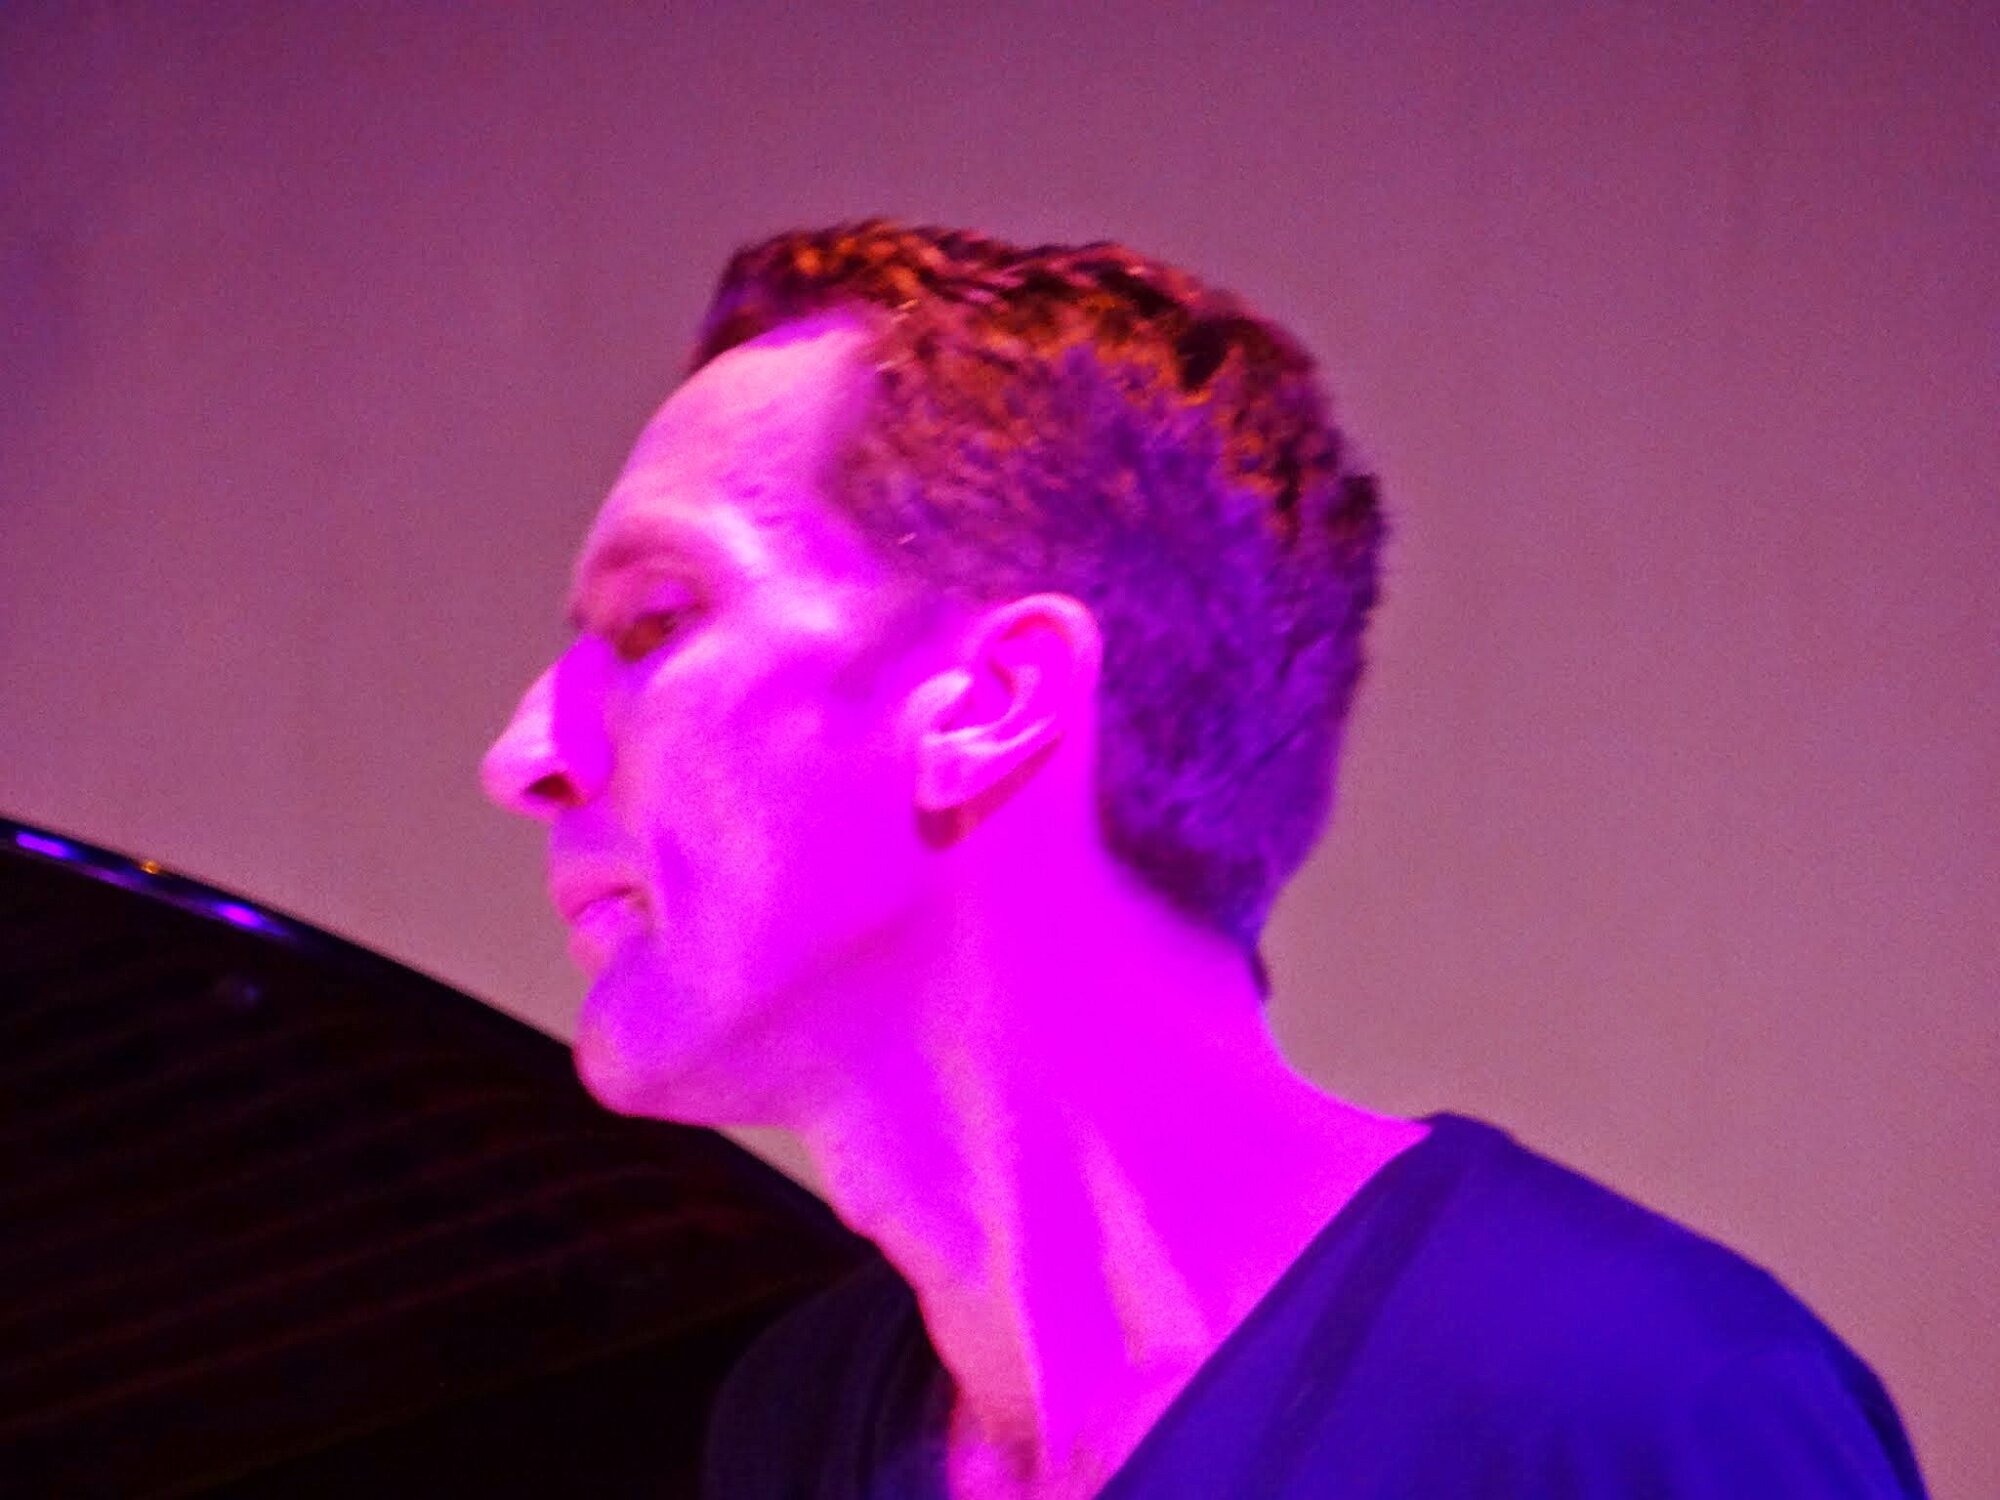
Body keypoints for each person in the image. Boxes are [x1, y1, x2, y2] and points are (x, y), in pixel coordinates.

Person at [480, 222, 1926, 1498]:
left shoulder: (1631, 1408)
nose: (526, 751)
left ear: (993, 703)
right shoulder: (799, 1423)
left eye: (655, 623)